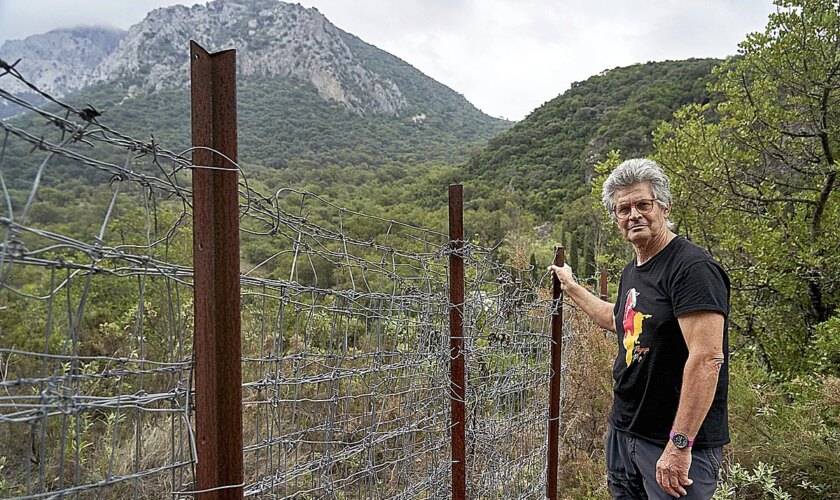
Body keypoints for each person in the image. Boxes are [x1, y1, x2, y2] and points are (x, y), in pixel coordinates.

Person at [549, 158, 729, 499]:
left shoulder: (692, 268)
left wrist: (679, 445)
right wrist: (570, 287)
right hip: (625, 431)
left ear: (664, 206)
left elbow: (707, 359)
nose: (634, 215)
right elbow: (618, 320)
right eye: (623, 209)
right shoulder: (635, 269)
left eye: (643, 204)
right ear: (616, 218)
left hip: (672, 442)